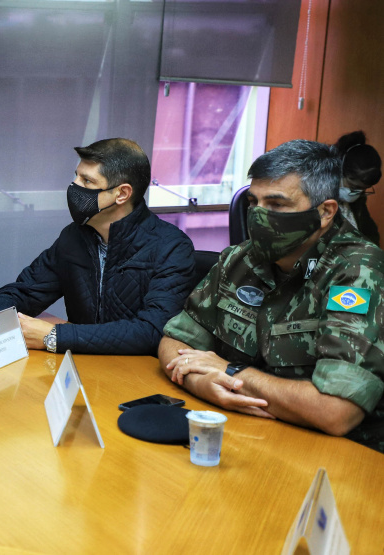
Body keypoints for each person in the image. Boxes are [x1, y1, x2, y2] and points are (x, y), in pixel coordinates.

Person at [160, 140, 384, 453]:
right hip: (250, 434)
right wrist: (205, 384)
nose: (258, 217)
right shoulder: (242, 258)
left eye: (276, 205)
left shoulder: (357, 272)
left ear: (324, 212)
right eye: (254, 202)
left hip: (339, 456)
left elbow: (336, 412)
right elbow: (175, 341)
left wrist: (230, 372)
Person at [0, 138, 197, 355]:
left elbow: (151, 331)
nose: (74, 186)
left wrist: (54, 336)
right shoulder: (74, 237)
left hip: (136, 374)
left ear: (122, 194)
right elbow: (20, 293)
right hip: (83, 367)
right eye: (76, 176)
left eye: (87, 181)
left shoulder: (171, 247)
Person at [334, 130, 381, 244]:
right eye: (353, 187)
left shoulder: (358, 203)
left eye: (363, 190)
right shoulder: (316, 196)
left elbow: (371, 235)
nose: (356, 193)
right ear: (340, 170)